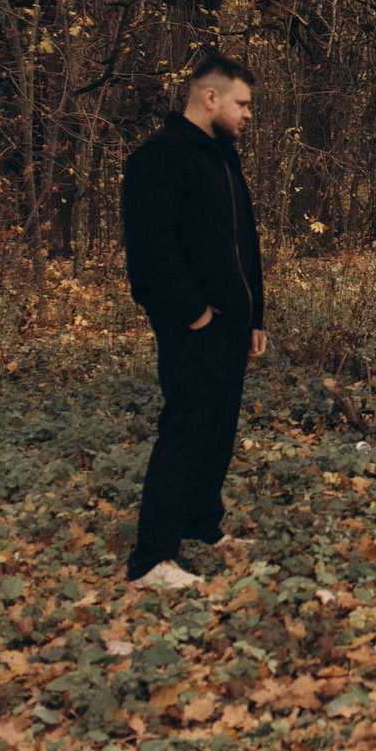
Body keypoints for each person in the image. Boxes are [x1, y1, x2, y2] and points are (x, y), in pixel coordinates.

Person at [119, 50, 266, 588]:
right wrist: (195, 315)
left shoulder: (224, 157)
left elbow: (244, 243)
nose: (249, 114)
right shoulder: (159, 157)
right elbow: (151, 252)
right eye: (242, 103)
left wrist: (255, 315)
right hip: (192, 325)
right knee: (184, 430)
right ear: (211, 97)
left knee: (218, 428)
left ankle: (203, 527)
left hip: (231, 323)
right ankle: (151, 559)